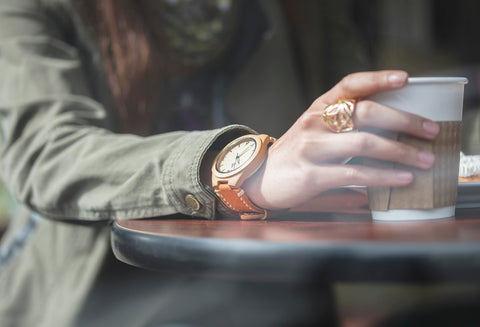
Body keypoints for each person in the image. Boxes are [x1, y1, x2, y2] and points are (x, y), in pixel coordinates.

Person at [0, 0, 442, 326]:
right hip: (101, 298)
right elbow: (46, 153)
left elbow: (355, 114)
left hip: (282, 288)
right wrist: (238, 169)